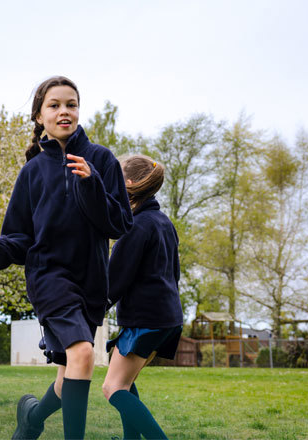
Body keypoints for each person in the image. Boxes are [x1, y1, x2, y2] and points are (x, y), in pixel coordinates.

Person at [0, 76, 133, 440]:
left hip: (91, 280)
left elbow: (120, 223)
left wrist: (92, 184)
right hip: (48, 277)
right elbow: (21, 237)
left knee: (68, 372)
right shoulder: (31, 173)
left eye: (71, 104)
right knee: (84, 356)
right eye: (54, 105)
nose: (64, 111)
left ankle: (31, 418)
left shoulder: (102, 160)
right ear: (40, 116)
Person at [101, 154, 183, 440]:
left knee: (112, 388)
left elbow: (115, 280)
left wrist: (90, 309)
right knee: (125, 377)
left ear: (130, 183)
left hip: (146, 319)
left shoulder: (135, 226)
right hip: (167, 317)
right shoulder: (163, 222)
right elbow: (175, 273)